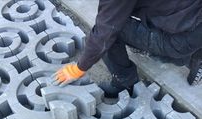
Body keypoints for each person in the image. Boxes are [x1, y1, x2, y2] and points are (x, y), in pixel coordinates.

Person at [52, 0, 202, 98]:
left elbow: (105, 33)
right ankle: (196, 55)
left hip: (181, 36)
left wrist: (79, 68)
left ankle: (125, 81)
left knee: (114, 31)